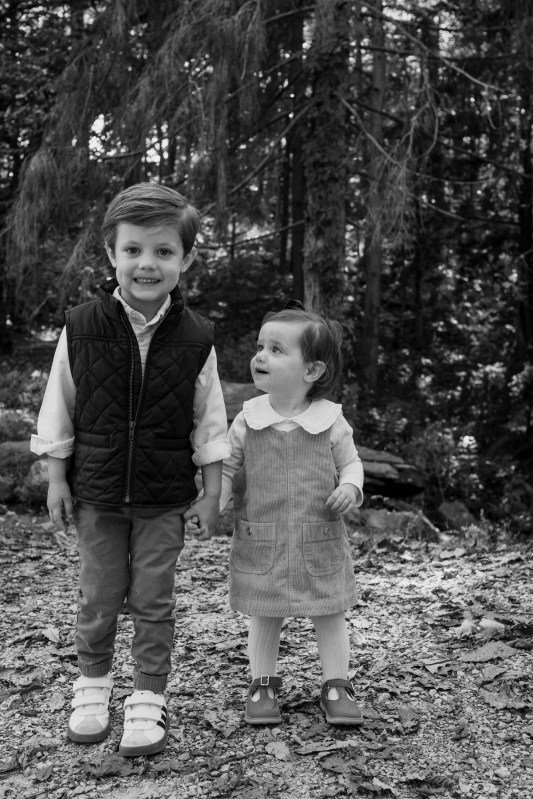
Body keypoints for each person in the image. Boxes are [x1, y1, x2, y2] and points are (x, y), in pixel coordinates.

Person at [31, 183, 230, 757]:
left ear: (185, 259)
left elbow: (210, 420)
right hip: (96, 494)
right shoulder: (81, 325)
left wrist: (211, 491)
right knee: (98, 596)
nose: (147, 263)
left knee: (153, 599)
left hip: (164, 497)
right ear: (111, 253)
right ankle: (93, 688)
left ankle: (147, 696)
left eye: (164, 251)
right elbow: (59, 404)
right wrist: (57, 479)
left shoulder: (196, 337)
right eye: (134, 249)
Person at [186, 305, 364, 725]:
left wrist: (350, 487)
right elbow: (227, 471)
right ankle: (262, 683)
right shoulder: (249, 419)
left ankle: (336, 684)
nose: (260, 356)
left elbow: (352, 464)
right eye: (260, 346)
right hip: (262, 538)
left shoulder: (330, 420)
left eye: (276, 349)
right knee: (265, 610)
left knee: (329, 610)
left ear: (312, 370)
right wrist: (214, 503)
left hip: (318, 539)